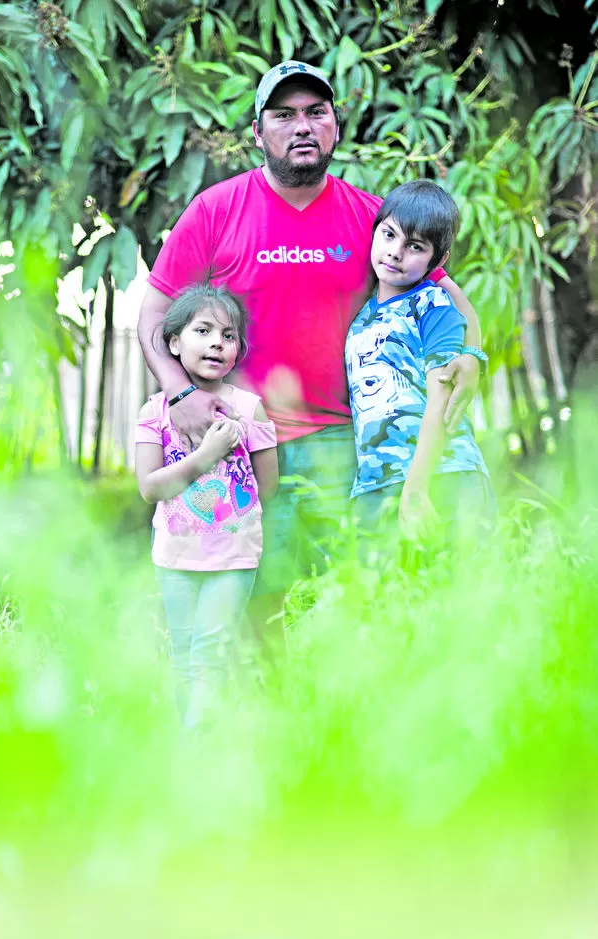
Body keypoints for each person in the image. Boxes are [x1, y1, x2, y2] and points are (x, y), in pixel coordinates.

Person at [137, 60, 486, 627]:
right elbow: (154, 313)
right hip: (242, 448)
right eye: (284, 115)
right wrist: (181, 396)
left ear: (335, 127)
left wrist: (470, 355)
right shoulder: (215, 210)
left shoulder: (375, 219)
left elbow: (454, 300)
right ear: (257, 132)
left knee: (360, 605)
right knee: (250, 611)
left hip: (344, 448)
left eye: (315, 113)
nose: (302, 126)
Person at [135, 284, 278, 726]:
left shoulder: (249, 409)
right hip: (175, 558)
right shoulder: (154, 412)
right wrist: (204, 459)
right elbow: (148, 488)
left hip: (233, 557)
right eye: (203, 330)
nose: (218, 342)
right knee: (183, 656)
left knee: (210, 655)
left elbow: (267, 485)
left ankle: (195, 752)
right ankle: (193, 751)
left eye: (229, 335)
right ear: (174, 343)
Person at [346, 180, 496, 548]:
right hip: (376, 485)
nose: (395, 252)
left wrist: (417, 488)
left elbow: (441, 399)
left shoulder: (433, 306)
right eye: (389, 235)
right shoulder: (361, 318)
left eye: (414, 246)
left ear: (437, 261)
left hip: (442, 476)